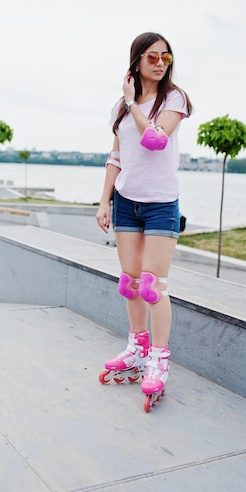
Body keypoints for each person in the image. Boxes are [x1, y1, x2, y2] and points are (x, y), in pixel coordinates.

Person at [96, 31, 193, 411]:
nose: (159, 63)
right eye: (151, 57)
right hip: (126, 202)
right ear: (136, 60)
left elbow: (155, 140)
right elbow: (116, 157)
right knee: (131, 283)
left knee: (154, 286)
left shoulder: (174, 98)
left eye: (165, 57)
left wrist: (135, 103)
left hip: (160, 203)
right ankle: (137, 348)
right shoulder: (119, 107)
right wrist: (104, 201)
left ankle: (159, 359)